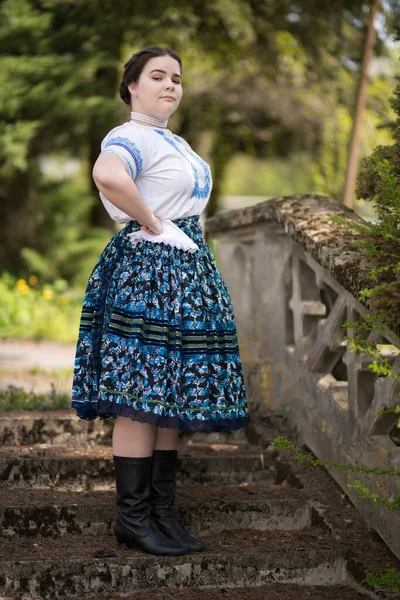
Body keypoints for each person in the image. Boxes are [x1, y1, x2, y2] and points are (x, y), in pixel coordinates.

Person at [71, 45, 250, 557]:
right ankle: (132, 519)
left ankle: (161, 514)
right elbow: (107, 176)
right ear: (132, 85)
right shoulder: (128, 137)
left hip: (185, 273)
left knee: (170, 394)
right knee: (141, 392)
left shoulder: (177, 143)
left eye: (176, 77)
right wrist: (152, 222)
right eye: (157, 76)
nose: (171, 84)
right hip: (149, 272)